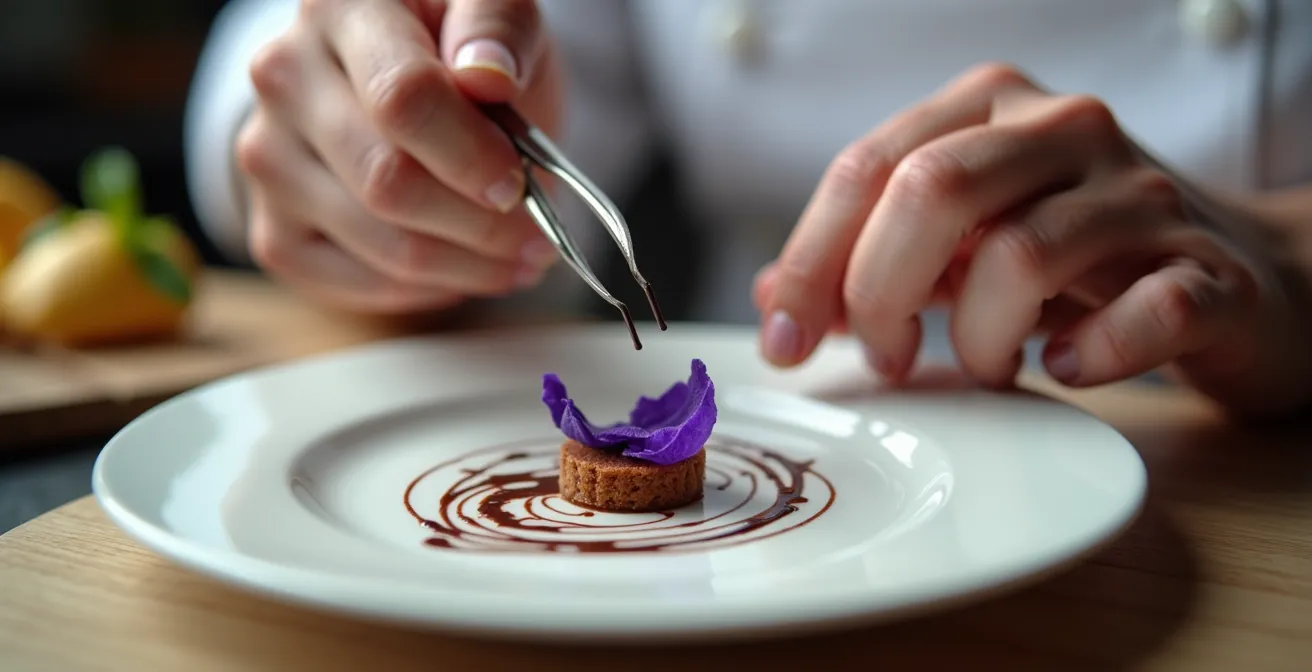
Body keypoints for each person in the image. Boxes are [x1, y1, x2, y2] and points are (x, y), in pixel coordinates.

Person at [184, 0, 1312, 418]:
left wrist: (1287, 250)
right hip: (782, 413)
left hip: (1241, 461)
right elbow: (316, 45)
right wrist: (351, 134)